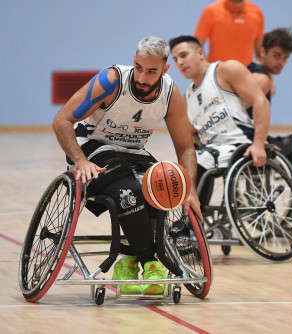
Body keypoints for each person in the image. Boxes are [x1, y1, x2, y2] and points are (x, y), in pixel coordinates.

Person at [52, 36, 202, 295]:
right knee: (130, 190)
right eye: (138, 68)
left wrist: (190, 188)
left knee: (160, 187)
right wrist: (79, 161)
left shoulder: (170, 93)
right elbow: (61, 120)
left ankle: (127, 263)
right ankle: (151, 262)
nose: (142, 77)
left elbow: (186, 147)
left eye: (151, 71)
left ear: (165, 70)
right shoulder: (111, 81)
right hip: (92, 147)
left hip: (132, 152)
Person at [169, 35, 270, 205]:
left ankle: (192, 223)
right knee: (180, 167)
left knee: (200, 160)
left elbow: (261, 101)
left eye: (184, 55)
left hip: (241, 145)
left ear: (200, 53)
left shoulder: (225, 70)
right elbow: (191, 135)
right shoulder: (187, 96)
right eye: (175, 59)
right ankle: (193, 219)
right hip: (214, 151)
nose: (180, 62)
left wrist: (259, 145)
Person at [247, 28, 292, 220]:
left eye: (285, 58)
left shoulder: (255, 74)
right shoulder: (261, 79)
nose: (281, 63)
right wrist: (260, 142)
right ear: (262, 51)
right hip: (250, 140)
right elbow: (236, 111)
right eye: (276, 56)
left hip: (250, 137)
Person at [194, 0, 264, 66]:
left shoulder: (257, 13)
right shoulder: (211, 11)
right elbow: (195, 46)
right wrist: (206, 71)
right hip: (216, 74)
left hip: (245, 75)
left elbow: (260, 51)